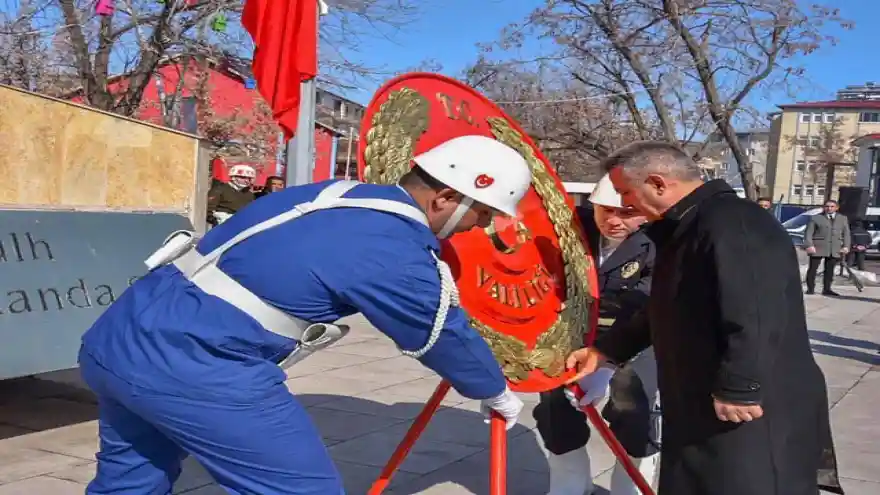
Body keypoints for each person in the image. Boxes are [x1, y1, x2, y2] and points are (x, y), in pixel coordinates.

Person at [78, 135, 531, 494]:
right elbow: (439, 336)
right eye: (484, 213)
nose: (483, 227)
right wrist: (494, 390)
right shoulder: (390, 244)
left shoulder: (335, 194)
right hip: (197, 364)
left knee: (129, 482)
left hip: (119, 340)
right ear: (447, 197)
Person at [565, 141, 842, 495]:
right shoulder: (686, 229)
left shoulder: (734, 222)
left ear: (658, 183)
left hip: (746, 410)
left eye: (625, 192)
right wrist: (607, 351)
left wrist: (740, 388)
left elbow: (757, 309)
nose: (625, 204)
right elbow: (667, 306)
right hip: (702, 404)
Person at [533, 174, 659, 495]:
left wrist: (607, 364)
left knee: (634, 411)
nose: (613, 221)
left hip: (634, 339)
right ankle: (570, 484)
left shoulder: (662, 243)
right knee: (554, 409)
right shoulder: (573, 227)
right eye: (605, 211)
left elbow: (643, 307)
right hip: (572, 335)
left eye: (626, 212)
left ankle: (630, 487)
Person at [804, 199, 850, 296]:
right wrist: (809, 245)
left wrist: (846, 246)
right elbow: (808, 233)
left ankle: (827, 289)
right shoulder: (816, 218)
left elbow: (846, 233)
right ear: (824, 207)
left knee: (829, 270)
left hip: (834, 248)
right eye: (827, 206)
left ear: (837, 208)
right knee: (813, 269)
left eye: (832, 206)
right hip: (818, 247)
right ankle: (810, 288)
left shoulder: (843, 218)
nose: (829, 208)